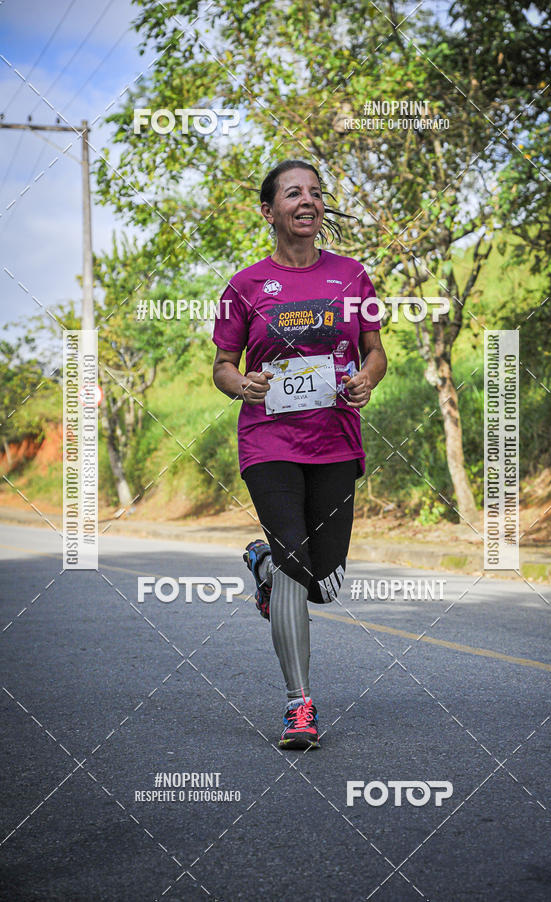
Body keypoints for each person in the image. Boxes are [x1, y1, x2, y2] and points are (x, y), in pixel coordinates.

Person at [212, 159, 387, 749]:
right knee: (296, 559)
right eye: (293, 193)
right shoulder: (244, 287)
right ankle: (299, 705)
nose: (308, 201)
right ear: (269, 211)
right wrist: (243, 385)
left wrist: (366, 380)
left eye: (315, 192)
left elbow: (375, 352)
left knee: (325, 582)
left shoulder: (352, 276)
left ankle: (263, 565)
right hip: (270, 442)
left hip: (334, 439)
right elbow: (222, 367)